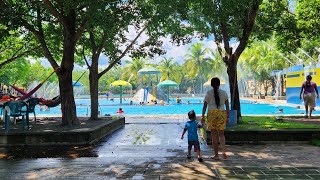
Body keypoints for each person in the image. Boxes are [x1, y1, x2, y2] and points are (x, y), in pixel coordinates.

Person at [201, 77, 230, 160]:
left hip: (211, 114)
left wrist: (202, 116)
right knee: (221, 134)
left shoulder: (208, 93)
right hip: (221, 113)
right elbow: (227, 106)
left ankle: (216, 155)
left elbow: (204, 106)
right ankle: (224, 151)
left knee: (214, 135)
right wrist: (227, 116)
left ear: (211, 85)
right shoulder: (224, 93)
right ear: (219, 84)